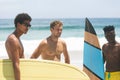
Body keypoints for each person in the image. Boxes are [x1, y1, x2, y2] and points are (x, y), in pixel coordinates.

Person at [5, 13, 32, 80]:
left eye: (29, 25)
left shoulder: (17, 38)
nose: (27, 27)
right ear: (18, 25)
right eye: (26, 25)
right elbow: (15, 64)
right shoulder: (13, 40)